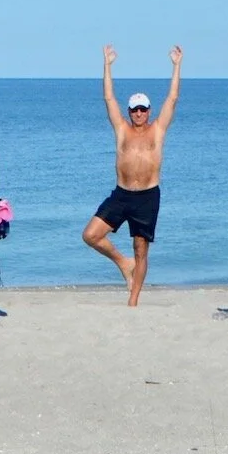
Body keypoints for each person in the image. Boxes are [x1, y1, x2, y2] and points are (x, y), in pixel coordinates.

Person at [82, 44, 181, 306]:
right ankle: (122, 263)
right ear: (129, 112)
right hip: (122, 194)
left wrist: (176, 66)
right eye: (135, 110)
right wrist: (107, 65)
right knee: (90, 235)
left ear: (149, 111)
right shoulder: (122, 129)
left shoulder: (158, 130)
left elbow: (172, 99)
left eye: (143, 109)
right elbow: (108, 98)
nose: (139, 113)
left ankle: (134, 300)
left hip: (148, 196)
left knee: (141, 249)